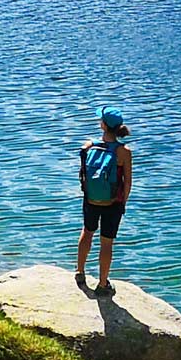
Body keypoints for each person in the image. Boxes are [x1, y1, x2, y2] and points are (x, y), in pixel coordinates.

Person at [74, 109, 133, 292]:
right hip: (112, 204)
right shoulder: (124, 152)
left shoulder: (89, 146)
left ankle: (80, 272)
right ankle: (102, 283)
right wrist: (123, 203)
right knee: (106, 243)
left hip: (91, 199)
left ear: (103, 125)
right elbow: (128, 183)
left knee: (87, 232)